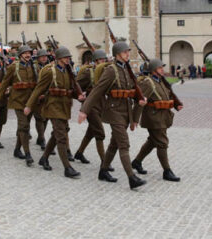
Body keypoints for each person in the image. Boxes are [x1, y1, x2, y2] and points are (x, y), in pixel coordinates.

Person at [79, 41, 148, 189]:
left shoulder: (128, 70)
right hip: (113, 110)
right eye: (125, 52)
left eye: (128, 52)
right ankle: (132, 178)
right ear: (117, 54)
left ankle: (103, 171)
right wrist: (84, 110)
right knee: (124, 143)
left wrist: (140, 101)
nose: (127, 54)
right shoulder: (111, 70)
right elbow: (97, 90)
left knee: (114, 144)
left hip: (125, 110)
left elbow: (133, 91)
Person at [26, 47, 85, 179]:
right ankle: (67, 167)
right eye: (65, 58)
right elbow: (38, 89)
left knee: (59, 132)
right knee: (61, 136)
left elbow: (70, 90)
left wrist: (78, 96)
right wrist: (29, 105)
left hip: (64, 106)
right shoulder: (49, 72)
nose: (68, 60)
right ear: (58, 59)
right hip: (52, 106)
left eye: (68, 58)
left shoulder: (68, 72)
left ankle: (44, 158)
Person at [130, 58, 183, 182]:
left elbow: (168, 95)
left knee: (153, 141)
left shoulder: (160, 81)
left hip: (162, 116)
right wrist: (134, 119)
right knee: (162, 142)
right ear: (154, 70)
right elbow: (140, 101)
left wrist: (176, 104)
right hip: (153, 117)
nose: (162, 70)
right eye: (160, 68)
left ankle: (137, 162)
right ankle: (167, 171)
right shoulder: (148, 83)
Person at [0, 45, 38, 167]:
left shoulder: (33, 66)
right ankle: (28, 154)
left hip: (30, 101)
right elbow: (4, 84)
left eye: (29, 53)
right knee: (24, 126)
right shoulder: (13, 67)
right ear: (20, 55)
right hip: (18, 101)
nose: (28, 55)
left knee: (24, 126)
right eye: (25, 53)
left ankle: (17, 149)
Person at [74, 50, 109, 166]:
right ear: (95, 61)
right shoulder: (89, 73)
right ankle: (104, 161)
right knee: (100, 133)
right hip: (91, 106)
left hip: (101, 105)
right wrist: (79, 95)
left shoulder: (106, 72)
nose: (103, 62)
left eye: (104, 59)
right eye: (101, 60)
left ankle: (79, 152)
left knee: (91, 131)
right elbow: (76, 84)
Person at [32, 49, 51, 151]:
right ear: (38, 58)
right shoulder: (34, 67)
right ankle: (42, 139)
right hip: (37, 95)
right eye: (42, 56)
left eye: (45, 56)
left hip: (47, 95)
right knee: (39, 118)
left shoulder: (49, 67)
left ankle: (40, 137)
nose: (44, 58)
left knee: (46, 117)